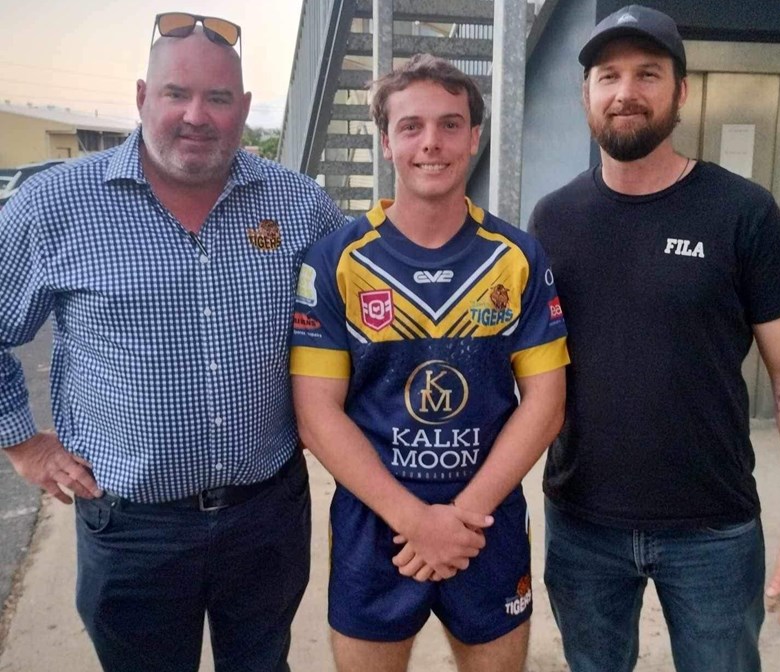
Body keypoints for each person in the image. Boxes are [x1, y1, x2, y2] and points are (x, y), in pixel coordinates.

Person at [0, 13, 345, 672]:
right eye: (175, 94)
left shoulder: (298, 205)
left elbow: (366, 307)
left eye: (218, 98)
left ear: (243, 109)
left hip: (266, 515)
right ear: (141, 97)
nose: (197, 115)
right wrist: (23, 443)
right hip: (133, 530)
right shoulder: (54, 207)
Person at [528, 5, 780, 672]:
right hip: (581, 522)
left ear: (681, 92)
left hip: (714, 529)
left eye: (648, 74)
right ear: (587, 94)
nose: (625, 92)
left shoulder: (743, 212)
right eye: (608, 76)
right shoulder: (553, 219)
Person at [290, 54, 569, 672]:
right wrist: (415, 520)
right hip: (375, 525)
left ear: (474, 137)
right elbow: (316, 416)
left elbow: (546, 404)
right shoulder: (335, 259)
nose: (431, 143)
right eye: (411, 126)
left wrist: (460, 519)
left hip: (487, 522)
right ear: (386, 140)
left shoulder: (516, 256)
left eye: (450, 124)